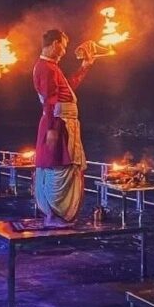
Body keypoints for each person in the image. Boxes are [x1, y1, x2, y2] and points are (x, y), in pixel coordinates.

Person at [32, 29, 96, 225]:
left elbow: (66, 88)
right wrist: (52, 128)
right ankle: (52, 216)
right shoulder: (46, 68)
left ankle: (56, 215)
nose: (64, 51)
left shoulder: (51, 67)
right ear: (55, 43)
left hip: (61, 123)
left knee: (61, 166)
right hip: (58, 123)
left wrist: (85, 67)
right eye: (63, 47)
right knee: (55, 167)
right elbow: (50, 100)